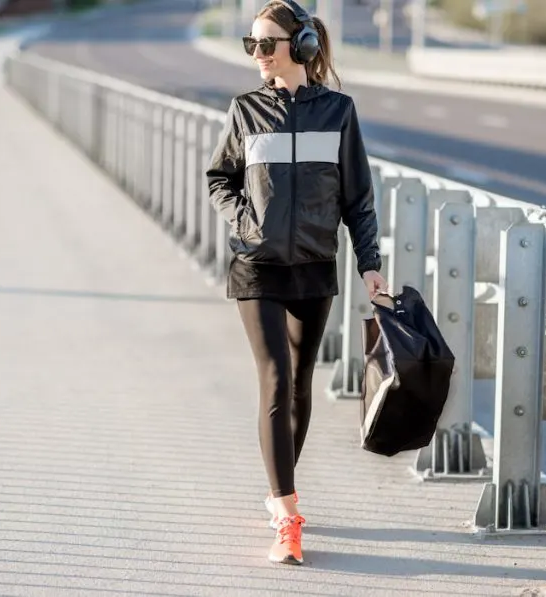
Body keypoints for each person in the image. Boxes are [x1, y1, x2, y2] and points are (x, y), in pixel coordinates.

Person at [205, 0, 388, 566]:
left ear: (301, 47)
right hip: (256, 265)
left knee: (301, 384)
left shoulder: (338, 112)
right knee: (276, 378)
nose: (256, 55)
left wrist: (370, 263)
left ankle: (279, 486)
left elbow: (357, 197)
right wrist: (245, 221)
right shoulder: (245, 109)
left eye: (265, 44)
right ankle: (287, 514)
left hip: (313, 265)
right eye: (250, 45)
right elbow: (220, 178)